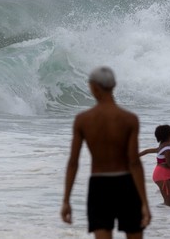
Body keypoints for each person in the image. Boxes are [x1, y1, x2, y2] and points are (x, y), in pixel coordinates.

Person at [61, 67, 150, 238]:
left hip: (99, 186)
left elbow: (73, 162)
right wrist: (144, 202)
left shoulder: (83, 120)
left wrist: (66, 200)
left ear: (94, 87)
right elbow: (134, 162)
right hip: (126, 184)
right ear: (113, 86)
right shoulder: (129, 119)